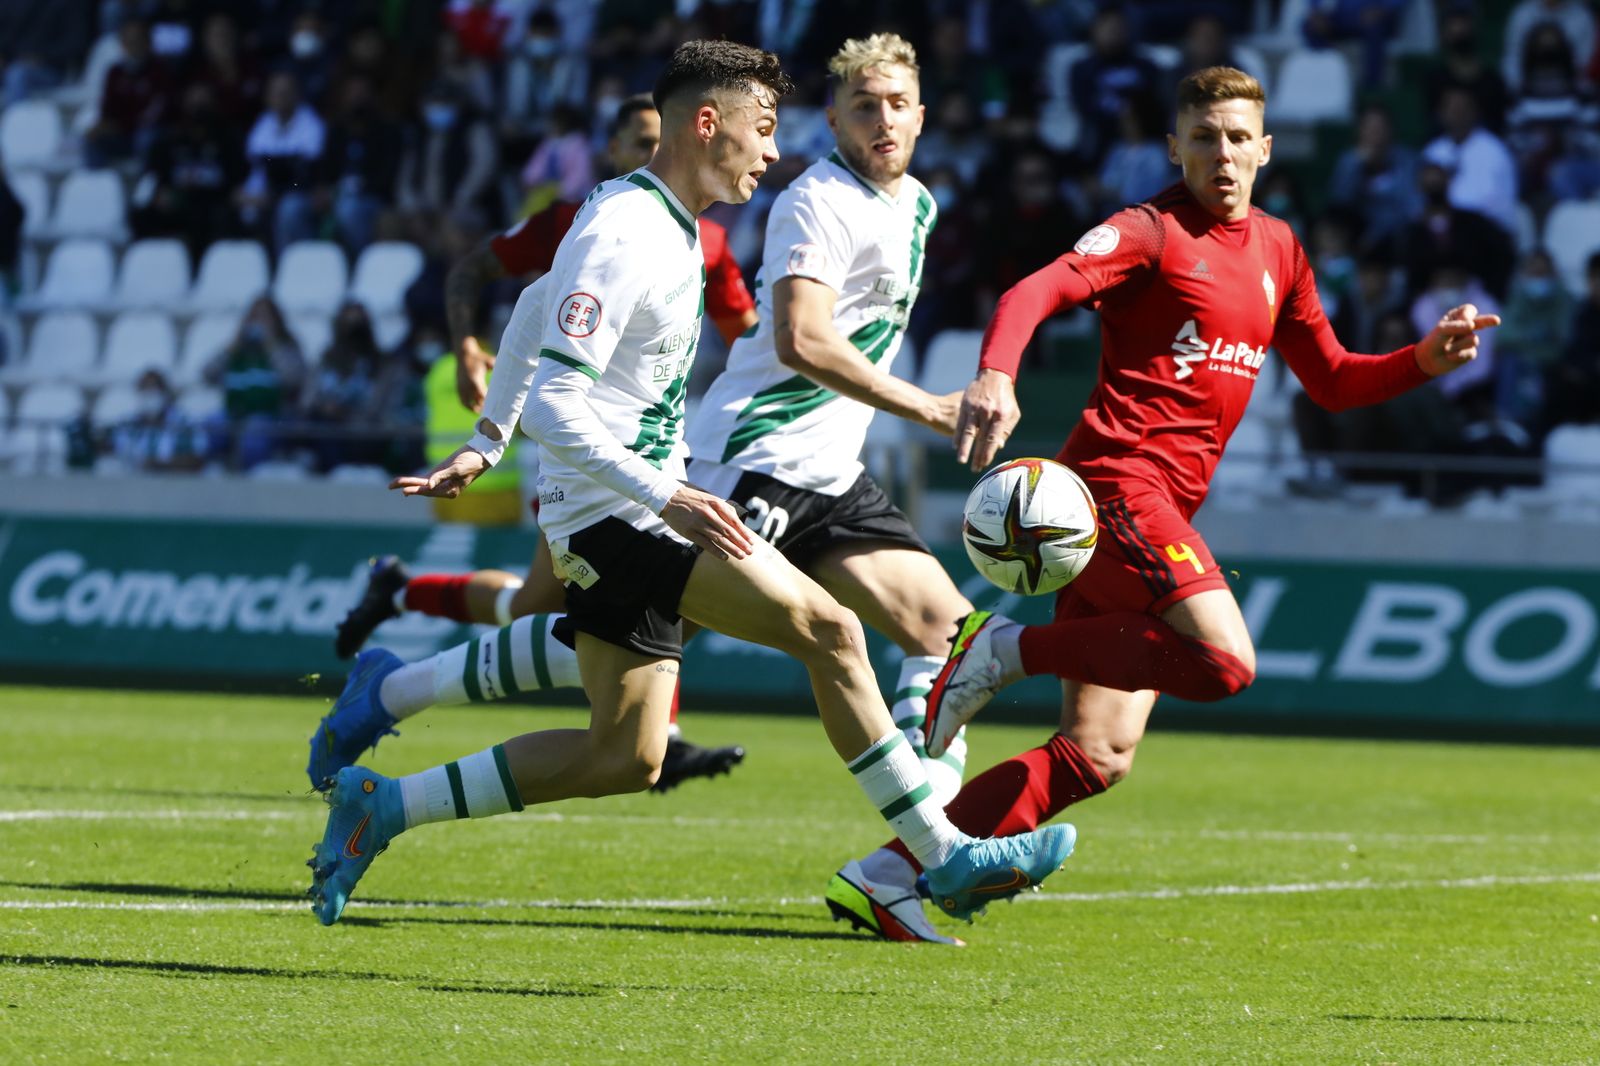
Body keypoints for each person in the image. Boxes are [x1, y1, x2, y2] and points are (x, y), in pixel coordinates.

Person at [305, 39, 1074, 927]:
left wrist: (487, 437)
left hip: (633, 503)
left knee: (625, 755)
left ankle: (384, 805)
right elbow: (560, 397)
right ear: (707, 124)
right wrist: (660, 492)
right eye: (762, 128)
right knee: (830, 632)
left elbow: (530, 309)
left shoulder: (660, 223)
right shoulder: (628, 229)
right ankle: (943, 855)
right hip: (625, 512)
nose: (772, 151)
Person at [832, 66, 1497, 937]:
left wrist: (1421, 362)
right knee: (1226, 664)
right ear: (1174, 145)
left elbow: (1331, 380)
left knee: (1096, 753)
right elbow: (1031, 292)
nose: (1221, 154)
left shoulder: (1280, 250)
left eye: (1236, 138)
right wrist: (996, 371)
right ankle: (998, 650)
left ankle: (888, 875)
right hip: (1115, 485)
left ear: (1265, 148)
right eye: (1203, 136)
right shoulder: (1149, 231)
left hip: (1160, 510)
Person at [323, 93, 758, 793]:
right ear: (613, 150)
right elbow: (475, 272)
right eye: (636, 141)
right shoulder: (579, 221)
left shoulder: (705, 239)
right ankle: (653, 737)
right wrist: (468, 345)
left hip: (649, 450)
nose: (649, 152)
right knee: (589, 605)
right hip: (577, 439)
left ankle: (402, 603)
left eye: (658, 137)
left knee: (542, 608)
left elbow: (747, 331)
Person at [680, 33, 991, 943]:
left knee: (953, 644)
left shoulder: (922, 205)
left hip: (833, 476)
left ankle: (898, 868)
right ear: (836, 119)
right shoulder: (816, 199)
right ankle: (399, 695)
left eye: (898, 103)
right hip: (757, 462)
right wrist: (929, 412)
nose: (883, 119)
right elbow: (803, 340)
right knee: (620, 657)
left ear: (922, 113)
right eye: (865, 105)